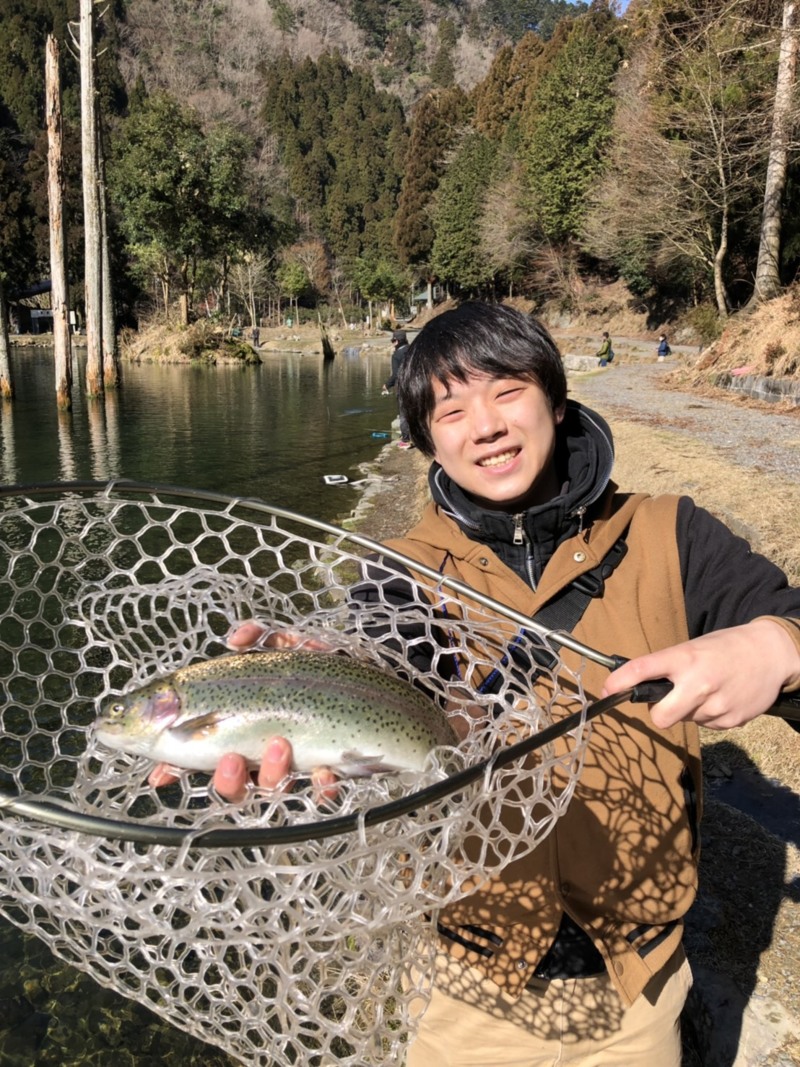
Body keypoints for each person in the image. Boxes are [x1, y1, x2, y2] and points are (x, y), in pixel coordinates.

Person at [153, 302, 800, 1066]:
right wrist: (313, 704)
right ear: (426, 439)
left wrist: (775, 645)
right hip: (467, 987)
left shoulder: (673, 533)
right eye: (451, 410)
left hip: (640, 986)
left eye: (507, 392)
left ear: (557, 402)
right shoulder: (399, 572)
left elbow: (784, 627)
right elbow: (400, 704)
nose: (484, 426)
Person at [382, 329, 413, 448]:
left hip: (403, 387)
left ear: (398, 341)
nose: (392, 343)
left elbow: (396, 374)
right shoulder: (411, 350)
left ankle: (406, 440)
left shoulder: (397, 355)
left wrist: (387, 385)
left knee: (404, 413)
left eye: (393, 340)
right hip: (415, 385)